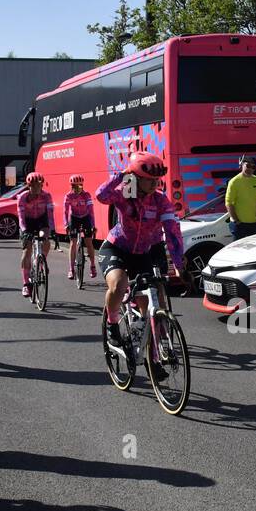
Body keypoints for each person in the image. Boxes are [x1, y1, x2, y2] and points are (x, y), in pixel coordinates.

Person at [96, 152, 184, 373]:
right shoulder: (126, 193)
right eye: (149, 179)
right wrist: (121, 175)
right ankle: (112, 323)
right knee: (118, 284)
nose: (155, 183)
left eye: (157, 179)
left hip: (143, 253)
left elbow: (172, 233)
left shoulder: (160, 200)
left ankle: (153, 359)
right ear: (135, 177)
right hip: (116, 247)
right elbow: (101, 195)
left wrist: (180, 266)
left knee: (151, 306)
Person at [16, 172, 54, 297]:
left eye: (39, 185)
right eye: (34, 186)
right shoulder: (22, 197)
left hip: (41, 221)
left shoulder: (46, 196)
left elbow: (50, 215)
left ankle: (41, 261)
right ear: (29, 186)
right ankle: (26, 284)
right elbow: (21, 218)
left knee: (45, 239)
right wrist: (24, 230)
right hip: (27, 222)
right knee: (27, 250)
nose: (37, 188)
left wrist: (52, 230)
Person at [64, 173, 98, 280]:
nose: (77, 188)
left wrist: (93, 225)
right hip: (74, 218)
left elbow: (91, 211)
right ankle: (71, 269)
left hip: (85, 217)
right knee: (73, 242)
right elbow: (65, 211)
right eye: (74, 186)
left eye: (79, 186)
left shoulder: (86, 195)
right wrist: (66, 224)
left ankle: (92, 265)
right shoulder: (68, 196)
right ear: (71, 186)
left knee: (89, 242)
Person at [225, 155, 256, 240]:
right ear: (242, 165)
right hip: (239, 225)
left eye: (253, 167)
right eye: (248, 165)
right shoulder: (234, 181)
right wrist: (236, 221)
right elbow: (229, 203)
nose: (250, 169)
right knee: (239, 250)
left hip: (254, 224)